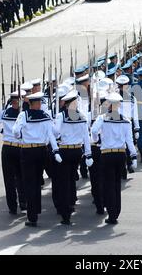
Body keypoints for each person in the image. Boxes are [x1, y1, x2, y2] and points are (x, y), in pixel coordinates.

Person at [12, 92, 62, 227]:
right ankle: (36, 210)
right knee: (37, 182)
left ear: (29, 103)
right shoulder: (45, 116)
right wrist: (56, 149)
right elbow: (53, 133)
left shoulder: (23, 115)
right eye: (39, 102)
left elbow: (15, 131)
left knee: (30, 183)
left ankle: (32, 216)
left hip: (28, 150)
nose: (40, 104)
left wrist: (21, 136)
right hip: (42, 150)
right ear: (37, 103)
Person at [91, 92, 137, 225]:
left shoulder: (102, 118)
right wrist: (133, 157)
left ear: (110, 105)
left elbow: (94, 131)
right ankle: (116, 211)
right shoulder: (126, 120)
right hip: (121, 154)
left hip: (107, 154)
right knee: (117, 184)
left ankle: (112, 214)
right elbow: (129, 141)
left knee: (108, 184)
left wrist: (97, 139)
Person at [53, 89, 93, 225]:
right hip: (77, 151)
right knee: (71, 179)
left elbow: (56, 132)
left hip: (65, 151)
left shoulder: (61, 116)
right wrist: (88, 154)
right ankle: (71, 203)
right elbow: (86, 137)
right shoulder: (81, 116)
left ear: (65, 103)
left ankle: (66, 213)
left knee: (64, 182)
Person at [0, 90, 27, 215]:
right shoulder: (23, 114)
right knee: (21, 177)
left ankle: (12, 206)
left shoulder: (4, 112)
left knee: (9, 179)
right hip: (20, 147)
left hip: (7, 148)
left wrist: (1, 131)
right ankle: (23, 203)